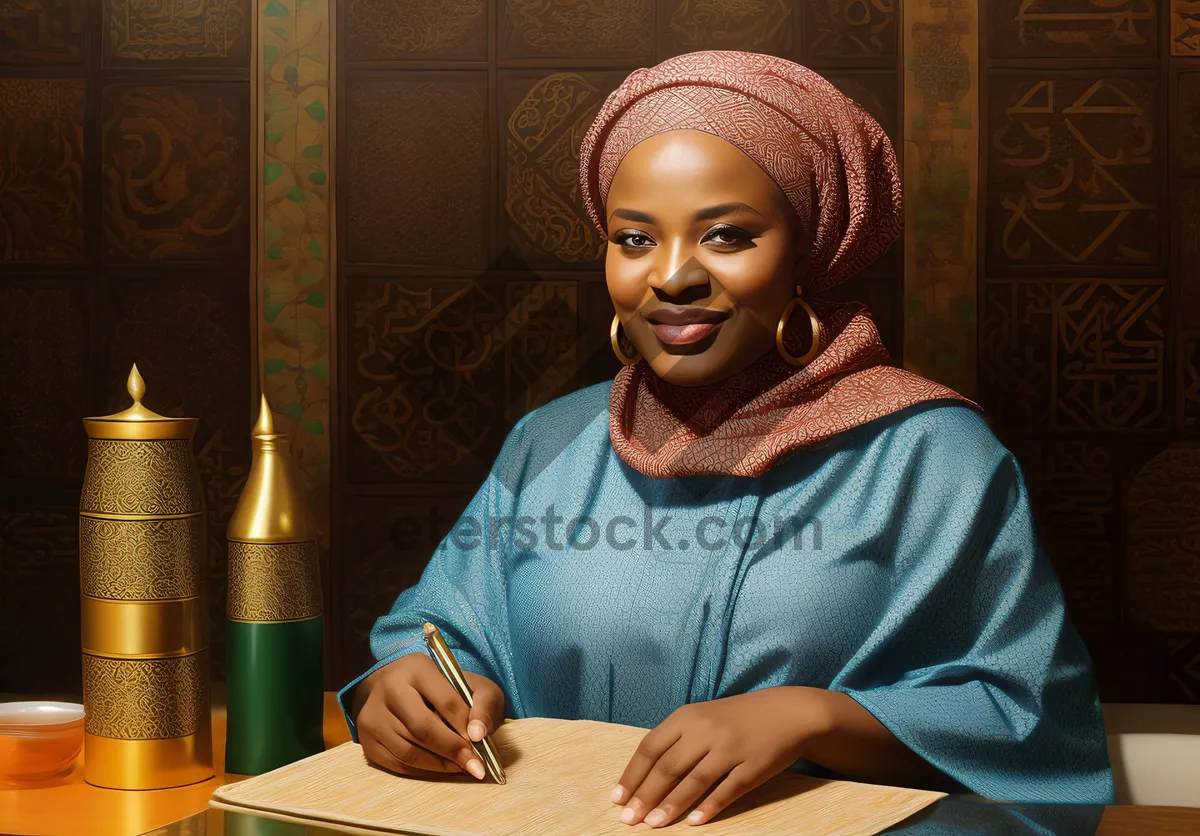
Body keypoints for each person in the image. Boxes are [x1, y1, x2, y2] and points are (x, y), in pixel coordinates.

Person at [340, 51, 1114, 827]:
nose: (672, 277)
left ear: (808, 248)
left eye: (728, 236)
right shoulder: (549, 443)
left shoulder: (930, 454)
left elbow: (1029, 715)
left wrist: (815, 717)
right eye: (635, 240)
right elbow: (442, 630)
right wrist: (405, 686)